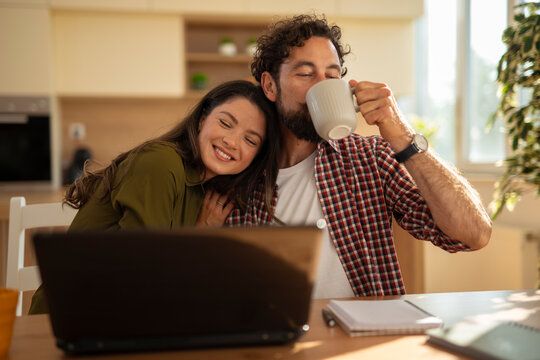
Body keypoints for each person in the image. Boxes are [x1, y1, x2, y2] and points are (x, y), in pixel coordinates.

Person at [225, 14, 492, 298]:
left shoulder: (370, 159)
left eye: (331, 76)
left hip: (366, 339)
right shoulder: (237, 174)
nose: (321, 86)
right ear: (269, 86)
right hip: (276, 338)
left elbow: (473, 235)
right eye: (305, 74)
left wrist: (401, 135)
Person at [29, 80, 281, 314]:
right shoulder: (161, 163)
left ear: (256, 156)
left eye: (250, 140)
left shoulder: (208, 195)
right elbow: (144, 276)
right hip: (68, 317)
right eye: (226, 123)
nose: (232, 142)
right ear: (202, 119)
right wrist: (199, 235)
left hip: (121, 319)